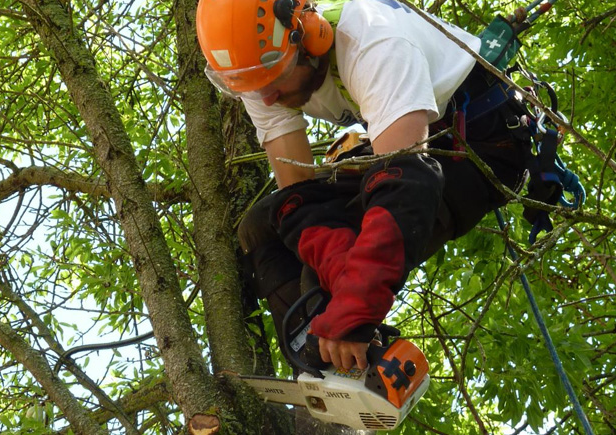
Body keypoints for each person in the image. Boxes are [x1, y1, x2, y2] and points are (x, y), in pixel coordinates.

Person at [196, 0, 531, 373]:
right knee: (264, 226)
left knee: (323, 289)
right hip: (416, 152)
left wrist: (351, 310)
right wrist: (338, 269)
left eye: (275, 80)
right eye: (257, 88)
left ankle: (343, 364)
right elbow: (299, 201)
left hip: (482, 142)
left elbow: (406, 187)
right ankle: (321, 367)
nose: (268, 98)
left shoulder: (373, 43)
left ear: (310, 36)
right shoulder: (260, 74)